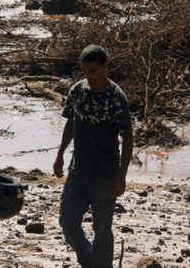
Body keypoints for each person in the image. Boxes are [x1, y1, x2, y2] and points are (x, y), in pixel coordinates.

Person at [53, 45, 134, 268]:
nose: (89, 76)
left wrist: (121, 176)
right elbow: (71, 122)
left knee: (102, 230)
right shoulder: (77, 91)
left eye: (93, 71)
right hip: (78, 172)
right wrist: (60, 154)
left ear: (105, 67)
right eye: (85, 71)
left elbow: (128, 138)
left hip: (105, 176)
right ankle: (88, 261)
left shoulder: (116, 98)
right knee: (67, 222)